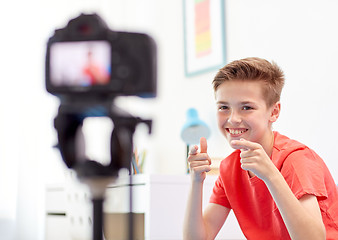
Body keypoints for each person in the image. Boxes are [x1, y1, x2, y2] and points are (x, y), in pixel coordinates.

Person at [183, 57, 338, 240]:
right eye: (224, 107)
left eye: (247, 107)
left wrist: (271, 175)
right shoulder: (230, 168)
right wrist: (196, 181)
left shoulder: (297, 160)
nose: (233, 118)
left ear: (274, 112)